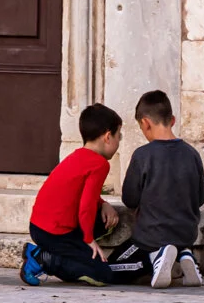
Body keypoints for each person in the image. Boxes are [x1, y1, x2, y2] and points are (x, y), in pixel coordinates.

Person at [19, 103, 140, 287]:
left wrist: (104, 203)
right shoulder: (100, 164)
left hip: (40, 226)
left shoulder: (78, 156)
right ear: (108, 137)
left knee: (104, 222)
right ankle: (43, 258)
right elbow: (86, 207)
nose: (118, 142)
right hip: (54, 233)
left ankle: (53, 254)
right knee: (102, 276)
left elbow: (81, 193)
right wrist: (89, 240)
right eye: (119, 136)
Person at [110, 89, 204, 288]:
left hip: (151, 238)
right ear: (172, 119)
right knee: (177, 244)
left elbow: (130, 199)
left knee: (110, 268)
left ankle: (157, 256)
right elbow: (201, 197)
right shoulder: (192, 154)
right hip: (186, 235)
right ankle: (184, 254)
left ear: (145, 123)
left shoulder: (143, 155)